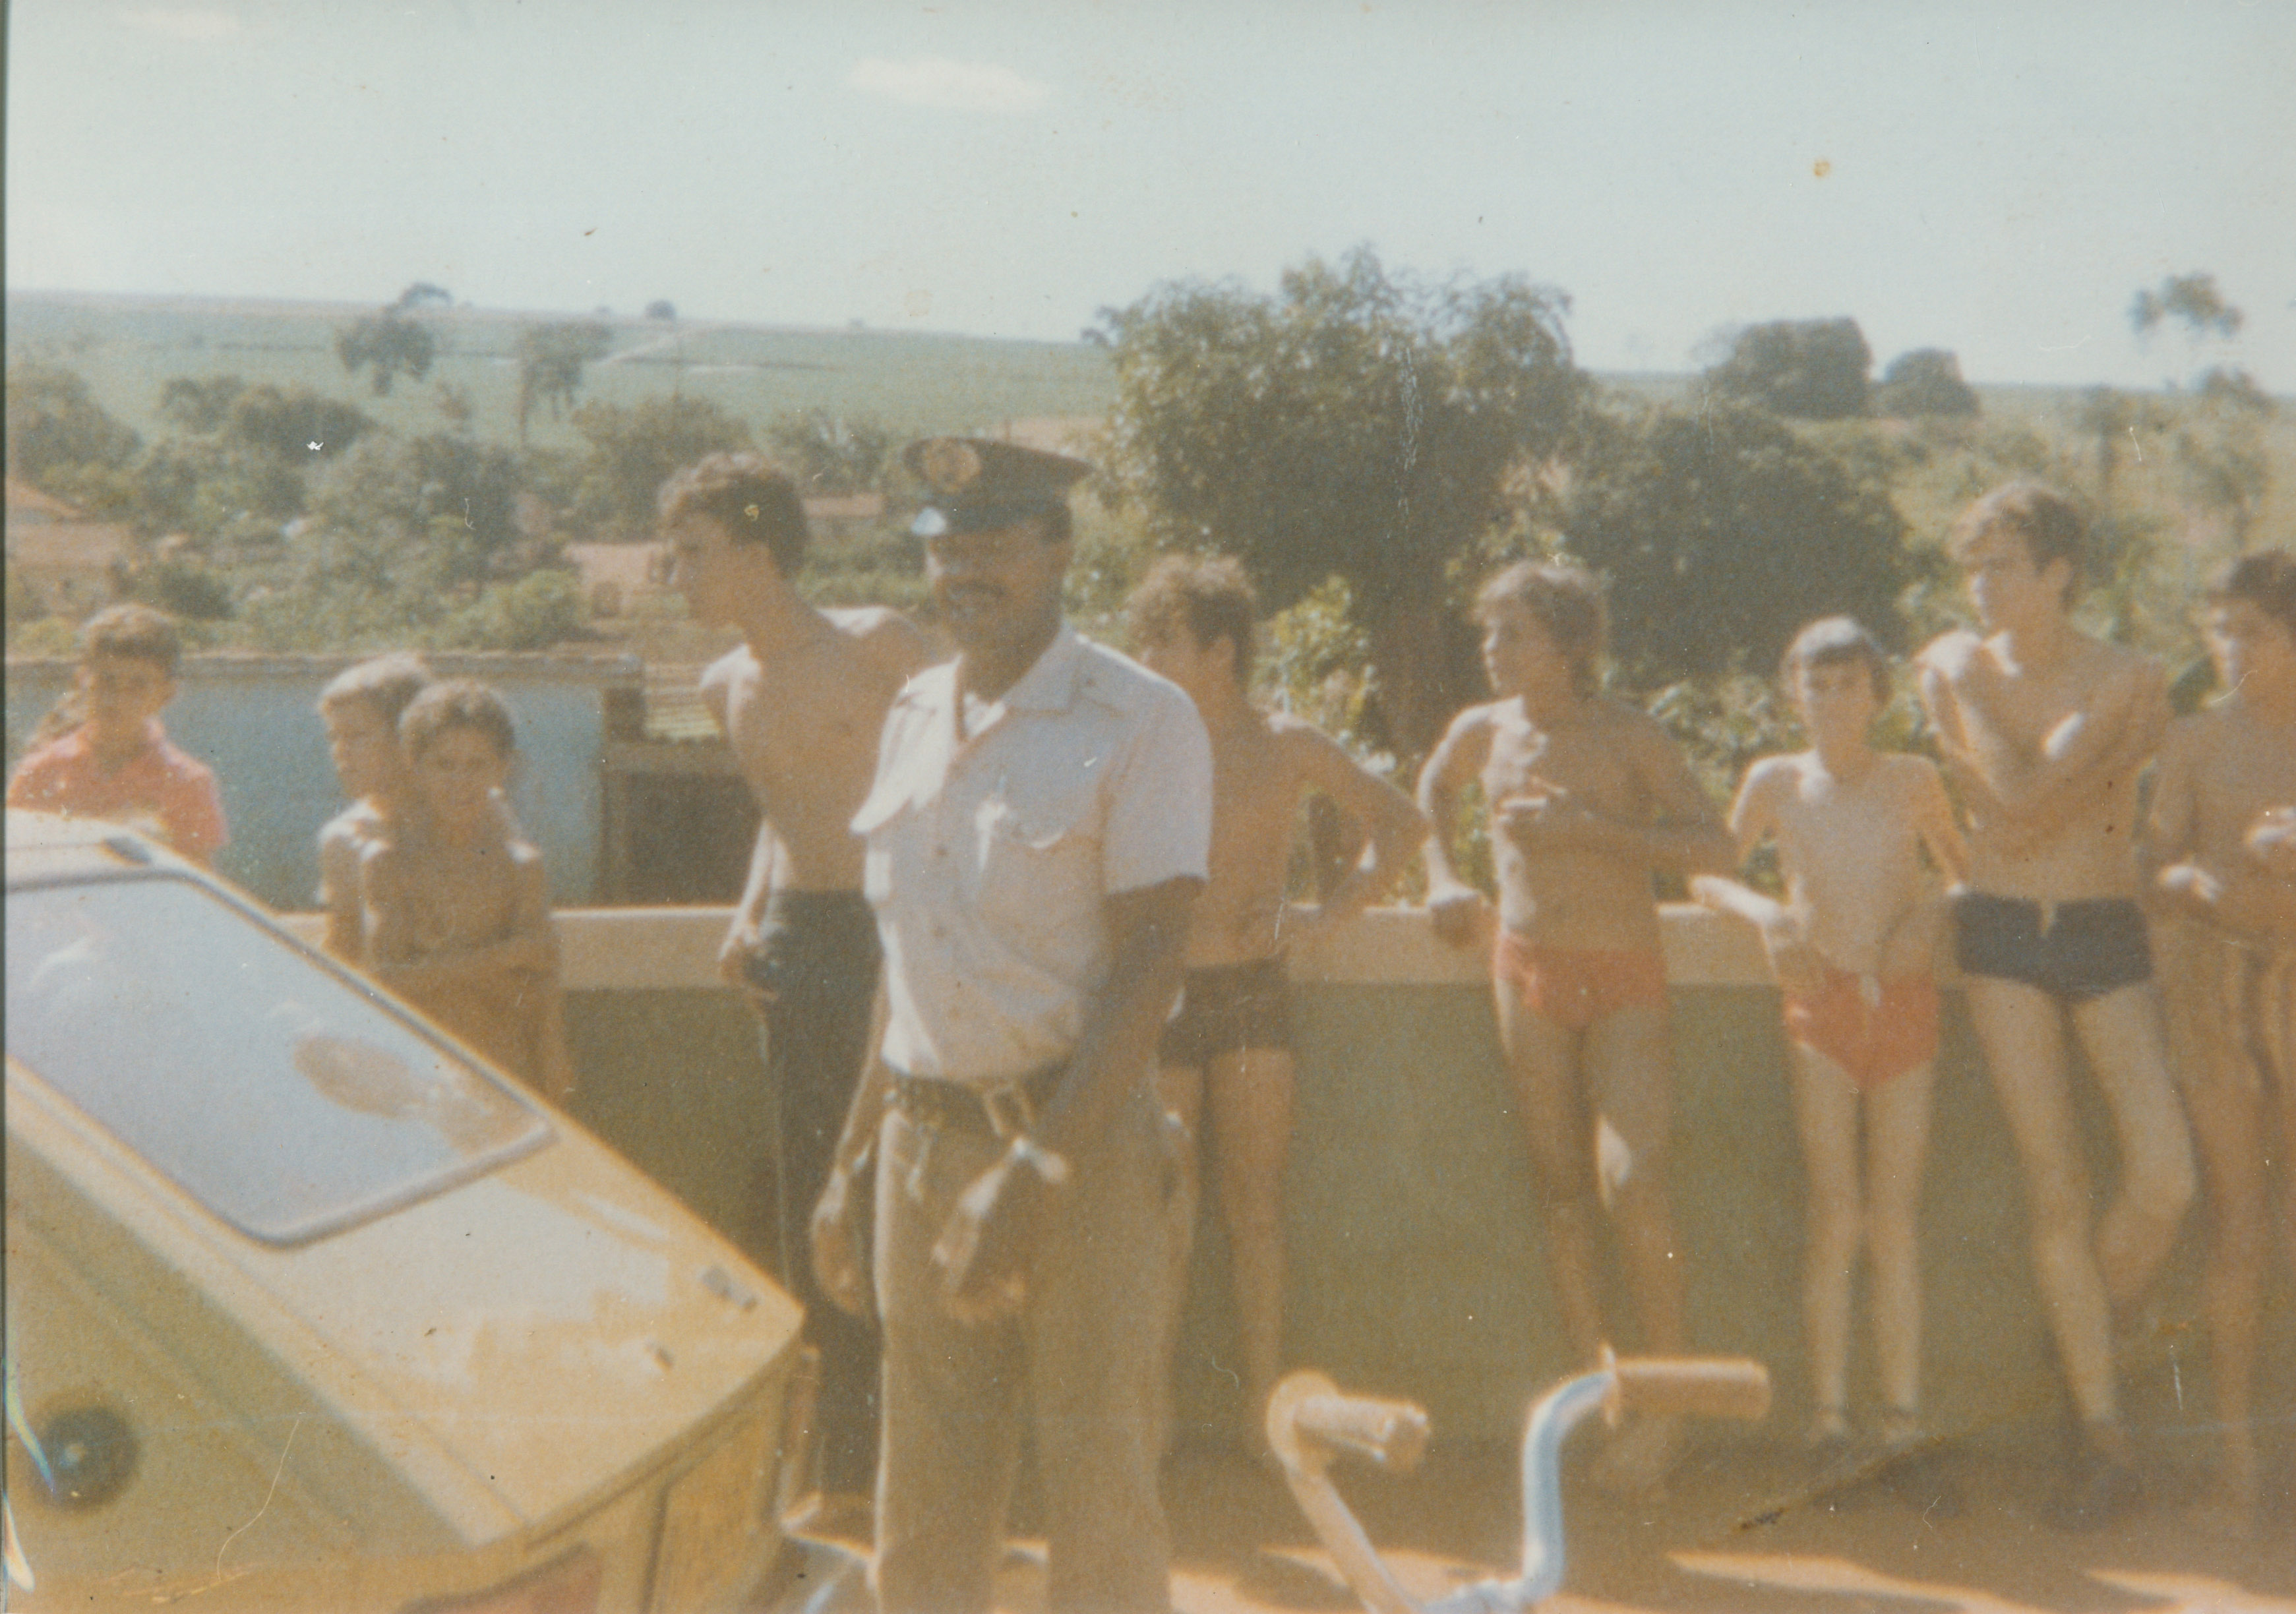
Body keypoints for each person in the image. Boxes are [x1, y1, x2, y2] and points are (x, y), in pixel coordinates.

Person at [810, 436, 1211, 1614]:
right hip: (919, 1146)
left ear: (1061, 549)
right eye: (944, 547)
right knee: (923, 1506)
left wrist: (1037, 1168)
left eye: (993, 544)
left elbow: (1151, 960)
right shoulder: (912, 713)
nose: (963, 570)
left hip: (1075, 1151)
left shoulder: (1138, 717)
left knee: (1098, 1491)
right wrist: (850, 1161)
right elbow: (906, 964)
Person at [1418, 560, 1732, 1493]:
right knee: (1559, 1194)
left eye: (1512, 633)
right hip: (1526, 972)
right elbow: (1430, 788)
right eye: (1489, 632)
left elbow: (1712, 844)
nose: (1491, 649)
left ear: (1568, 643)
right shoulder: (1483, 730)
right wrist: (1441, 877)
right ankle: (1605, 1399)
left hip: (1622, 976)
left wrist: (1591, 829)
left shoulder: (1627, 734)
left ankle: (1669, 1404)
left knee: (1631, 1181)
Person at [1915, 480, 2193, 1528]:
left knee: (2163, 1175)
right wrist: (2075, 763)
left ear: (2058, 573)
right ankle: (2102, 1435)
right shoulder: (1956, 663)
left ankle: (2087, 1330)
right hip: (1997, 931)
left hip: (2101, 926)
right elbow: (2015, 804)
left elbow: (2019, 803)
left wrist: (1976, 710)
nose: (1978, 587)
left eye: (2000, 565)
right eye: (1972, 567)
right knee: (2055, 1187)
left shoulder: (2123, 672)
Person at [661, 450, 930, 1509]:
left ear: (759, 552)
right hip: (800, 944)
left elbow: (969, 767)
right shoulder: (723, 684)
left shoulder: (878, 645)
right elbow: (782, 813)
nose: (677, 575)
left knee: (907, 1186)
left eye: (695, 552)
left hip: (899, 936)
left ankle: (934, 1467)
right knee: (815, 1195)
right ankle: (844, 1469)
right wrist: (748, 912)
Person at [1125, 553, 1428, 1441]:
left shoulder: (1286, 742)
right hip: (1163, 997)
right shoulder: (1141, 742)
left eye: (1163, 641)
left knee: (1253, 1209)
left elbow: (1401, 823)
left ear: (1220, 652)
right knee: (1165, 1211)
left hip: (1253, 995)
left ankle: (1267, 1407)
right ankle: (1152, 1408)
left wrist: (1324, 917)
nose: (1145, 658)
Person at [1691, 618, 1966, 1474]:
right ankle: (1828, 1420)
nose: (1832, 700)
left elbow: (1969, 872)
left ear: (1876, 694)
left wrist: (1929, 914)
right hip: (1821, 1002)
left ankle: (1900, 1422)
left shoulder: (1911, 778)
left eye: (1848, 684)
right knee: (1834, 1211)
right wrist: (1766, 915)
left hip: (1902, 1002)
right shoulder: (1773, 780)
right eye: (1816, 684)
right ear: (1792, 693)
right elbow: (1706, 872)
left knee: (1892, 1216)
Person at [2142, 550, 2296, 1532]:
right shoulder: (2194, 740)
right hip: (2217, 996)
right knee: (2239, 1224)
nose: (2232, 649)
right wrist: (2190, 883)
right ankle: (2236, 1469)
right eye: (2221, 629)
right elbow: (2151, 863)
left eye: (2254, 631)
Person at [359, 680, 576, 1102]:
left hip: (505, 1071)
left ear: (502, 768)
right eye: (445, 765)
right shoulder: (390, 863)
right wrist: (500, 958)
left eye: (477, 765)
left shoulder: (521, 868)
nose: (460, 782)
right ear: (414, 766)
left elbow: (540, 992)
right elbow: (384, 982)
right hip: (418, 1075)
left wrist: (554, 1072)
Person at [8, 603, 227, 866]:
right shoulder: (41, 772)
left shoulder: (189, 783)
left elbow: (192, 881)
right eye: (107, 680)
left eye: (138, 685)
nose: (118, 699)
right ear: (82, 680)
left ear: (167, 694)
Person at [315, 652, 434, 964]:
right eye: (334, 737)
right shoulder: (343, 840)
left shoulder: (470, 815)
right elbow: (344, 948)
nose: (341, 751)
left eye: (357, 736)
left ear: (408, 737)